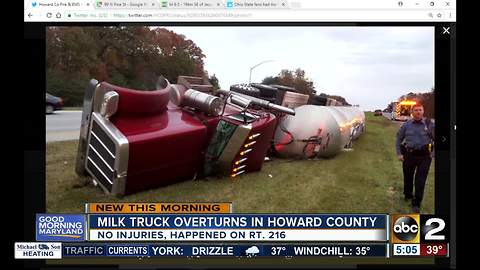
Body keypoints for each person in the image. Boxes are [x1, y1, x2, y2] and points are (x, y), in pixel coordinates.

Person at [396, 103, 434, 213]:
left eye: (420, 110)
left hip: (425, 156)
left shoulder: (429, 124)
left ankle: (416, 202)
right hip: (409, 155)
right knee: (408, 176)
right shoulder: (406, 125)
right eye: (416, 110)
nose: (418, 112)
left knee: (420, 180)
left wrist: (433, 154)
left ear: (423, 111)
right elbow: (399, 139)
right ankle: (408, 195)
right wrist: (399, 153)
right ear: (412, 112)